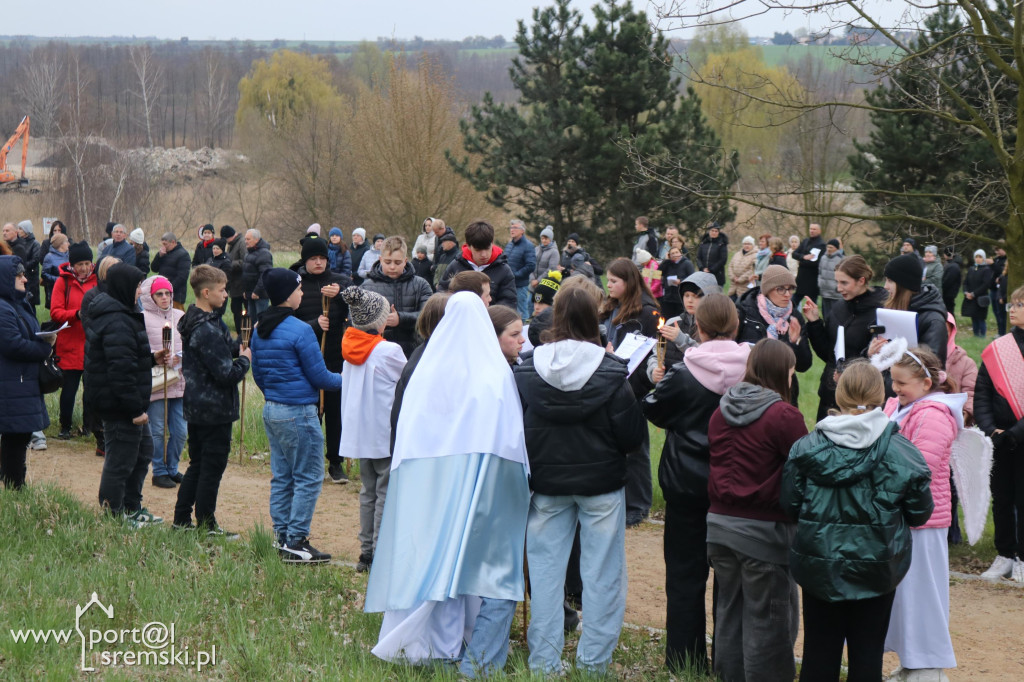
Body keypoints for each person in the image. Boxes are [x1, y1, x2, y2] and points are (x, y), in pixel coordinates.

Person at [365, 292, 530, 678]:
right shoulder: (494, 372)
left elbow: (408, 429)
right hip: (479, 479)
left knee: (436, 556)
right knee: (471, 562)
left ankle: (435, 641)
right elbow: (509, 436)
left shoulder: (428, 370)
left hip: (430, 480)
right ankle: (462, 643)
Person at [514, 287, 646, 675]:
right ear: (594, 319)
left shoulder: (528, 369)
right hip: (599, 485)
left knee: (546, 573)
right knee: (602, 575)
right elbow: (632, 436)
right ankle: (592, 663)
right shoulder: (608, 371)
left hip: (550, 483)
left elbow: (518, 428)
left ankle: (544, 660)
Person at [783, 361, 933, 682]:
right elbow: (920, 512)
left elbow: (789, 505)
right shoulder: (903, 452)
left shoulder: (806, 448)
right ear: (880, 396)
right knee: (867, 659)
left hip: (821, 566)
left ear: (839, 394)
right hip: (876, 568)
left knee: (818, 658)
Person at [643, 293, 750, 673]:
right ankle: (727, 662)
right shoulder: (752, 370)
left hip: (688, 486)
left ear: (698, 329)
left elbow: (653, 408)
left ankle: (683, 663)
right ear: (735, 327)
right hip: (737, 487)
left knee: (685, 578)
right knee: (732, 581)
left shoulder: (685, 373)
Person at [707, 338, 808, 682]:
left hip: (719, 527)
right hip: (764, 533)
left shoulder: (721, 410)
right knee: (768, 622)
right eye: (792, 370)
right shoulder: (783, 415)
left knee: (730, 613)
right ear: (781, 372)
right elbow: (805, 470)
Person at [250, 268, 342, 563]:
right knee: (308, 476)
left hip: (273, 409)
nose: (303, 293)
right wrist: (350, 379)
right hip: (299, 412)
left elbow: (258, 375)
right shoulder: (301, 330)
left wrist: (276, 395)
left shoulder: (259, 326)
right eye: (299, 289)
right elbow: (321, 378)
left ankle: (282, 536)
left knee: (283, 477)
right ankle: (297, 541)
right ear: (287, 294)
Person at [883, 347, 963, 680]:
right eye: (893, 382)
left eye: (902, 383)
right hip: (906, 515)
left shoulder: (932, 413)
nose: (895, 389)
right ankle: (913, 660)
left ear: (926, 382)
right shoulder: (908, 407)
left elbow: (920, 466)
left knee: (923, 592)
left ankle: (929, 665)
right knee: (906, 593)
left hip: (924, 518)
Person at [85, 263, 170, 527]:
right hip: (120, 404)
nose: (139, 292)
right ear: (123, 287)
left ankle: (132, 507)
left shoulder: (123, 312)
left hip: (128, 402)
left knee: (143, 451)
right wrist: (135, 410)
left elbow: (127, 357)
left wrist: (151, 358)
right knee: (120, 460)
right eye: (136, 286)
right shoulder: (117, 319)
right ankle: (113, 514)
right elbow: (119, 371)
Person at [173, 265, 251, 538]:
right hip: (213, 409)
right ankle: (205, 523)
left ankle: (181, 520)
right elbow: (226, 374)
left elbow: (222, 347)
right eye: (222, 290)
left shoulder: (204, 321)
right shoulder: (205, 329)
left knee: (198, 463)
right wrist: (245, 360)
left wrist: (240, 343)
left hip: (198, 406)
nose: (227, 294)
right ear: (206, 293)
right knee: (211, 467)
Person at [338, 286, 407, 571]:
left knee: (368, 492)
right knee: (385, 492)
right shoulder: (387, 350)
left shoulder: (349, 346)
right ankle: (379, 554)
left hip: (359, 434)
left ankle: (366, 553)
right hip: (383, 432)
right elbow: (407, 379)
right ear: (379, 320)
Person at [600, 257, 660, 527]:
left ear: (629, 282)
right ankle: (617, 500)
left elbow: (650, 356)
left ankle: (638, 505)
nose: (608, 285)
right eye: (608, 280)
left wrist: (634, 390)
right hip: (607, 387)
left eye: (614, 281)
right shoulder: (609, 308)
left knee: (636, 449)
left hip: (633, 390)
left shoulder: (647, 313)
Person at [288, 237, 350, 484]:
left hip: (335, 356)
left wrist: (342, 294)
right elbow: (285, 319)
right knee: (310, 413)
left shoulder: (341, 282)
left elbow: (361, 306)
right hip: (305, 359)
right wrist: (313, 325)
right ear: (305, 260)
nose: (318, 262)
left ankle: (335, 462)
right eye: (313, 258)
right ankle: (308, 464)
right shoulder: (295, 283)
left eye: (322, 258)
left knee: (335, 412)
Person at [975, 285, 1024, 582]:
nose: (1013, 309)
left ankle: (1023, 557)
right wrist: (990, 428)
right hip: (999, 440)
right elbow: (982, 391)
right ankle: (1005, 554)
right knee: (1002, 498)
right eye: (1013, 304)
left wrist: (1016, 432)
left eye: (1020, 304)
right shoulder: (999, 348)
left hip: (1020, 438)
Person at [803, 255, 889, 420]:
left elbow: (882, 362)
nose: (838, 288)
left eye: (844, 283)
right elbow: (827, 353)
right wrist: (814, 322)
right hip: (830, 394)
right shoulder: (838, 308)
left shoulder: (880, 313)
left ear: (861, 281)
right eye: (837, 282)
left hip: (860, 398)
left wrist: (862, 360)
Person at [0, 256, 52, 489]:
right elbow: (12, 344)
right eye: (19, 275)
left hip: (21, 383)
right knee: (15, 437)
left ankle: (14, 484)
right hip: (11, 385)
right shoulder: (2, 308)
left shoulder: (18, 304)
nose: (25, 278)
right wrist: (44, 348)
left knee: (19, 437)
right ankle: (15, 487)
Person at [735, 265, 812, 406]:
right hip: (750, 392)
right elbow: (732, 351)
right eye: (781, 289)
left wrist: (795, 342)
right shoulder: (744, 312)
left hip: (784, 394)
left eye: (790, 288)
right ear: (767, 290)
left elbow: (804, 365)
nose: (787, 294)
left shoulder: (795, 317)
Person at [140, 276, 186, 488]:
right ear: (151, 296)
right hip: (156, 383)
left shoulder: (180, 316)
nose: (165, 297)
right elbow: (139, 349)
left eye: (168, 293)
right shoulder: (142, 318)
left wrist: (179, 356)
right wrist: (155, 355)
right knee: (157, 430)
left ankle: (172, 468)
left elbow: (190, 343)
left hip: (177, 381)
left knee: (180, 431)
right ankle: (159, 470)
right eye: (159, 294)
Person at [51, 242, 97, 440]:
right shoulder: (63, 282)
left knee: (91, 390)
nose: (84, 268)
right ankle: (65, 426)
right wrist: (76, 314)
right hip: (69, 344)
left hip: (92, 345)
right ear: (72, 265)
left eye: (87, 263)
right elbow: (55, 312)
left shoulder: (98, 282)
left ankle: (89, 427)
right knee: (69, 390)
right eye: (80, 264)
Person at [360, 236, 433, 358]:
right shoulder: (366, 287)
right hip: (377, 354)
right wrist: (375, 321)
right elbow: (354, 320)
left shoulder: (421, 285)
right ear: (380, 259)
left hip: (413, 354)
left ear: (405, 261)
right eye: (388, 262)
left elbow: (429, 316)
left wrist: (401, 318)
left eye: (398, 262)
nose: (392, 267)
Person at [876, 254, 949, 366]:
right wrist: (871, 352)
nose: (885, 286)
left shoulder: (933, 321)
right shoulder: (889, 310)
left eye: (890, 280)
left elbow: (932, 367)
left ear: (904, 285)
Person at [438, 220, 518, 308]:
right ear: (468, 246)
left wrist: (489, 315)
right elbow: (442, 296)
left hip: (491, 320)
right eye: (478, 250)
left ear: (492, 243)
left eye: (487, 248)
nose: (484, 255)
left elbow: (509, 303)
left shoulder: (504, 270)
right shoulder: (455, 266)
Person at [505, 219, 537, 320]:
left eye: (515, 228)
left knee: (522, 311)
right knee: (509, 311)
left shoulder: (528, 246)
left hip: (520, 286)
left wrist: (516, 275)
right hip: (508, 284)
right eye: (511, 227)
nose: (512, 230)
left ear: (522, 231)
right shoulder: (509, 245)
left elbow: (531, 265)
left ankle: (525, 332)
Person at [151, 232, 191, 312]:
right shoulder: (163, 253)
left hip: (176, 295)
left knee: (178, 320)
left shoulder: (183, 255)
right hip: (162, 292)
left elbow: (182, 277)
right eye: (162, 244)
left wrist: (168, 289)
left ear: (173, 242)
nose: (163, 247)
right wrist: (159, 256)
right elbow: (154, 268)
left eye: (165, 244)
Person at [241, 229, 273, 317]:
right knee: (252, 319)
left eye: (248, 239)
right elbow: (246, 274)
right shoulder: (248, 253)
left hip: (260, 295)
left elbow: (265, 274)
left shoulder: (264, 254)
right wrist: (245, 291)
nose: (246, 242)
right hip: (250, 293)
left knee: (261, 320)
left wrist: (257, 291)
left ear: (256, 239)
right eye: (245, 239)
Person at [221, 225, 246, 334]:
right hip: (234, 285)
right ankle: (239, 334)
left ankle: (245, 335)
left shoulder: (242, 243)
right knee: (236, 310)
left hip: (242, 284)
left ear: (229, 237)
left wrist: (230, 264)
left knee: (243, 312)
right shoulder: (231, 245)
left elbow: (245, 261)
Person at [792, 223, 826, 304]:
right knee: (793, 303)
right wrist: (803, 257)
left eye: (814, 229)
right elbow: (794, 254)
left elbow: (815, 263)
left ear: (819, 231)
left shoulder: (822, 245)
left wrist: (801, 260)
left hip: (812, 281)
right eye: (811, 229)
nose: (812, 231)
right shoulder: (805, 241)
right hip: (801, 279)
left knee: (811, 304)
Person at [658, 243, 695, 320]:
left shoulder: (687, 263)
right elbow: (659, 271)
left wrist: (681, 281)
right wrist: (666, 260)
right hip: (668, 297)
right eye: (672, 253)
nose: (675, 255)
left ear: (680, 253)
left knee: (679, 319)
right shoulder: (667, 264)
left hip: (680, 297)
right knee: (666, 318)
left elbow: (692, 277)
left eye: (676, 252)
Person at [962, 249, 993, 338]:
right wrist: (966, 292)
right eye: (976, 257)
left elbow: (985, 284)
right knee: (973, 317)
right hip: (970, 297)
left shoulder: (986, 269)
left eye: (980, 257)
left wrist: (974, 294)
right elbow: (966, 282)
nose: (978, 259)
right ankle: (975, 335)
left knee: (980, 318)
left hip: (980, 298)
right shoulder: (972, 269)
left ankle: (982, 336)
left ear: (983, 258)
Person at [528, 270, 562, 346]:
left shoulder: (560, 329)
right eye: (535, 302)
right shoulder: (532, 322)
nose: (536, 307)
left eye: (542, 303)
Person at [817, 238, 844, 320]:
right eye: (827, 247)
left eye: (831, 247)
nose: (828, 249)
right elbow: (820, 272)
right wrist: (820, 283)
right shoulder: (823, 258)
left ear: (836, 248)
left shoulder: (841, 259)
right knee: (826, 316)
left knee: (836, 317)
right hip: (824, 292)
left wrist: (837, 287)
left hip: (835, 294)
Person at [42, 232, 69, 308]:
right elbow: (44, 274)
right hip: (55, 290)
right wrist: (58, 280)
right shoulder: (49, 257)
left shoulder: (69, 255)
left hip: (69, 289)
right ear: (60, 244)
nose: (68, 244)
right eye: (66, 241)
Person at [530, 226, 560, 296]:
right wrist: (532, 279)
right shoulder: (536, 249)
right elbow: (531, 264)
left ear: (550, 239)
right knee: (529, 305)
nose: (543, 240)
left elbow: (551, 269)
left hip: (544, 285)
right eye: (542, 238)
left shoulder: (554, 252)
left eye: (546, 238)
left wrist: (538, 281)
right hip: (532, 286)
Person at [726, 235, 757, 300]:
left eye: (749, 244)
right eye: (745, 244)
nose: (746, 246)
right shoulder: (737, 254)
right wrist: (733, 277)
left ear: (753, 245)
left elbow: (752, 270)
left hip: (745, 287)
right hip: (733, 286)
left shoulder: (755, 255)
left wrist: (740, 279)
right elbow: (730, 266)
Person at [989, 247, 1008, 336]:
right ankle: (1000, 331)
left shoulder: (1007, 260)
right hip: (993, 289)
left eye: (999, 249)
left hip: (1001, 291)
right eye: (996, 250)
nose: (997, 252)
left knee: (1002, 314)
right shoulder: (995, 259)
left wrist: (993, 264)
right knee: (996, 312)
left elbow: (1002, 271)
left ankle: (1003, 332)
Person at [941, 248, 962, 316]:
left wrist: (942, 288)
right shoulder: (951, 264)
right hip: (949, 293)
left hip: (948, 294)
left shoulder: (953, 266)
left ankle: (951, 326)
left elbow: (948, 281)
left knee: (949, 312)